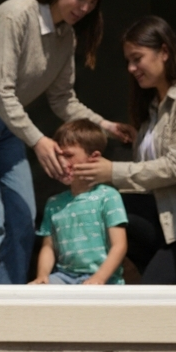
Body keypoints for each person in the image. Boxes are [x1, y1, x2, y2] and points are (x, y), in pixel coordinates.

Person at [0, 0, 134, 285]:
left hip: (7, 124)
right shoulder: (15, 15)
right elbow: (1, 91)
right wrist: (39, 140)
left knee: (22, 218)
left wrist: (106, 126)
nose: (85, 8)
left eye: (93, 2)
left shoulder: (66, 38)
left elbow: (63, 100)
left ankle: (11, 305)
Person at [72, 15, 176, 285]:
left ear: (164, 52)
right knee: (99, 203)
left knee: (147, 298)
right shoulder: (151, 113)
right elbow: (146, 180)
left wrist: (111, 172)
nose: (131, 68)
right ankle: (73, 275)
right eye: (128, 61)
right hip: (160, 224)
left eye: (137, 58)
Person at [29, 120, 127, 285]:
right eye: (58, 156)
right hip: (64, 277)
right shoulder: (54, 203)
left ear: (93, 158)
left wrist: (99, 279)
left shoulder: (108, 196)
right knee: (33, 296)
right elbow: (48, 247)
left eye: (68, 155)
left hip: (104, 279)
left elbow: (119, 245)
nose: (61, 162)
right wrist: (42, 276)